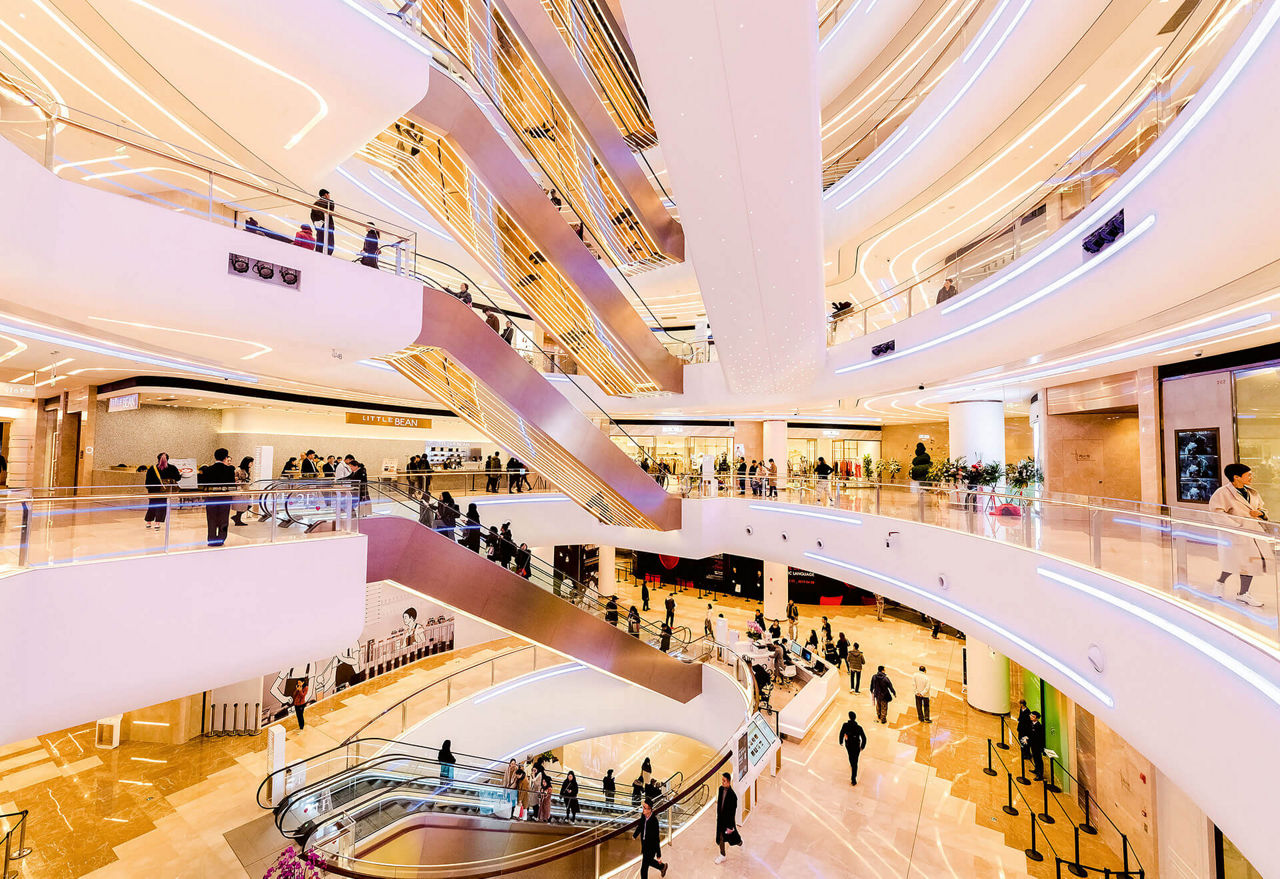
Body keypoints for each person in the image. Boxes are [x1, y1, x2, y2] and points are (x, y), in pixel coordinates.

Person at [1209, 463, 1270, 606]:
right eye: (1248, 475)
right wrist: (1236, 527)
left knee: (1250, 564)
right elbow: (1217, 513)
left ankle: (1243, 593)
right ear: (1236, 477)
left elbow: (1263, 508)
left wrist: (1260, 513)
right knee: (1234, 563)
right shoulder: (1222, 493)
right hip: (1235, 535)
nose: (1251, 477)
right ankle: (1220, 582)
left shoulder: (1253, 493)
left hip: (1253, 534)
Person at [199, 448, 237, 546]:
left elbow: (203, 483)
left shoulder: (208, 469)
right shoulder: (230, 469)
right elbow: (232, 484)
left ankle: (211, 538)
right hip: (225, 498)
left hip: (211, 497)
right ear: (225, 457)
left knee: (211, 518)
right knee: (224, 518)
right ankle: (221, 538)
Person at [143, 452, 180, 530]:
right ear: (168, 459)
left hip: (153, 491)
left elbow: (147, 482)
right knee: (161, 506)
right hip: (164, 491)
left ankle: (148, 522)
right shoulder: (172, 468)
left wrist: (150, 489)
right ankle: (157, 524)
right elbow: (178, 478)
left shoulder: (152, 468)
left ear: (158, 459)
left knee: (152, 505)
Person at [632, 799, 668, 878]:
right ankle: (662, 867)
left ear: (650, 810)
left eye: (645, 808)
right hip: (644, 845)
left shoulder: (654, 821)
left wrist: (658, 854)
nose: (643, 809)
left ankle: (662, 867)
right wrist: (635, 835)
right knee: (649, 862)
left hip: (651, 848)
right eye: (643, 807)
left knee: (643, 869)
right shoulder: (643, 816)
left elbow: (656, 838)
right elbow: (640, 825)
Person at [713, 771, 739, 864]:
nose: (722, 782)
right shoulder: (720, 789)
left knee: (733, 837)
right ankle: (722, 855)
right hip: (721, 820)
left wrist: (730, 826)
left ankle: (740, 843)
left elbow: (732, 813)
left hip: (728, 822)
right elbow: (719, 804)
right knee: (721, 838)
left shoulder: (733, 796)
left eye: (724, 781)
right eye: (722, 780)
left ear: (728, 782)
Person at [838, 710, 867, 785]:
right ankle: (853, 778)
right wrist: (862, 747)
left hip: (848, 745)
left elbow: (841, 733)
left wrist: (841, 741)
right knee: (855, 761)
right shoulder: (859, 728)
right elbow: (864, 738)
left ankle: (851, 763)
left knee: (850, 756)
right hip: (856, 746)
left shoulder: (845, 725)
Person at [310, 189, 334, 255]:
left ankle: (318, 255)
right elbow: (331, 212)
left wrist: (316, 222)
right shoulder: (329, 202)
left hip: (319, 225)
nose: (329, 196)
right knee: (330, 242)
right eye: (328, 194)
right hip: (328, 225)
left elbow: (312, 215)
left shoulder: (315, 203)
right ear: (326, 194)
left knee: (320, 241)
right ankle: (328, 255)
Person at [232, 456, 254, 526]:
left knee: (248, 505)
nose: (252, 464)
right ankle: (237, 519)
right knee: (241, 506)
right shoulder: (238, 469)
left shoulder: (248, 470)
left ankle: (236, 518)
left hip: (246, 489)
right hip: (240, 489)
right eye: (251, 462)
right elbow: (234, 479)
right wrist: (242, 480)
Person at [1023, 711, 1046, 780]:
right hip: (1032, 745)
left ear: (1037, 718)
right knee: (1035, 758)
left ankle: (1040, 774)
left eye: (1033, 716)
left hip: (1037, 746)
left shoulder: (1039, 726)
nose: (1031, 716)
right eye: (1031, 715)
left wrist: (1029, 740)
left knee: (1038, 759)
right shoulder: (1031, 723)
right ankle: (1036, 770)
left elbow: (1038, 737)